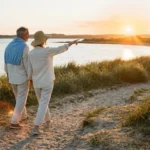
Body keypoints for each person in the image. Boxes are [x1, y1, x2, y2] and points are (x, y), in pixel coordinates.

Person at [28, 31, 78, 135]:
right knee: (43, 103)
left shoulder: (31, 53)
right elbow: (60, 49)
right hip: (47, 82)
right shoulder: (47, 51)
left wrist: (30, 79)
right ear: (43, 41)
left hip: (36, 82)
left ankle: (48, 119)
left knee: (42, 102)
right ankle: (36, 127)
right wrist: (71, 43)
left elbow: (29, 69)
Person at [4, 27, 30, 128]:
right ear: (23, 35)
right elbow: (27, 64)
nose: (28, 36)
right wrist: (30, 77)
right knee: (21, 99)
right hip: (22, 77)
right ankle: (14, 122)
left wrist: (8, 75)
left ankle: (23, 115)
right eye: (28, 34)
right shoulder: (24, 46)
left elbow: (6, 63)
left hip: (11, 76)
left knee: (18, 97)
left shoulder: (9, 45)